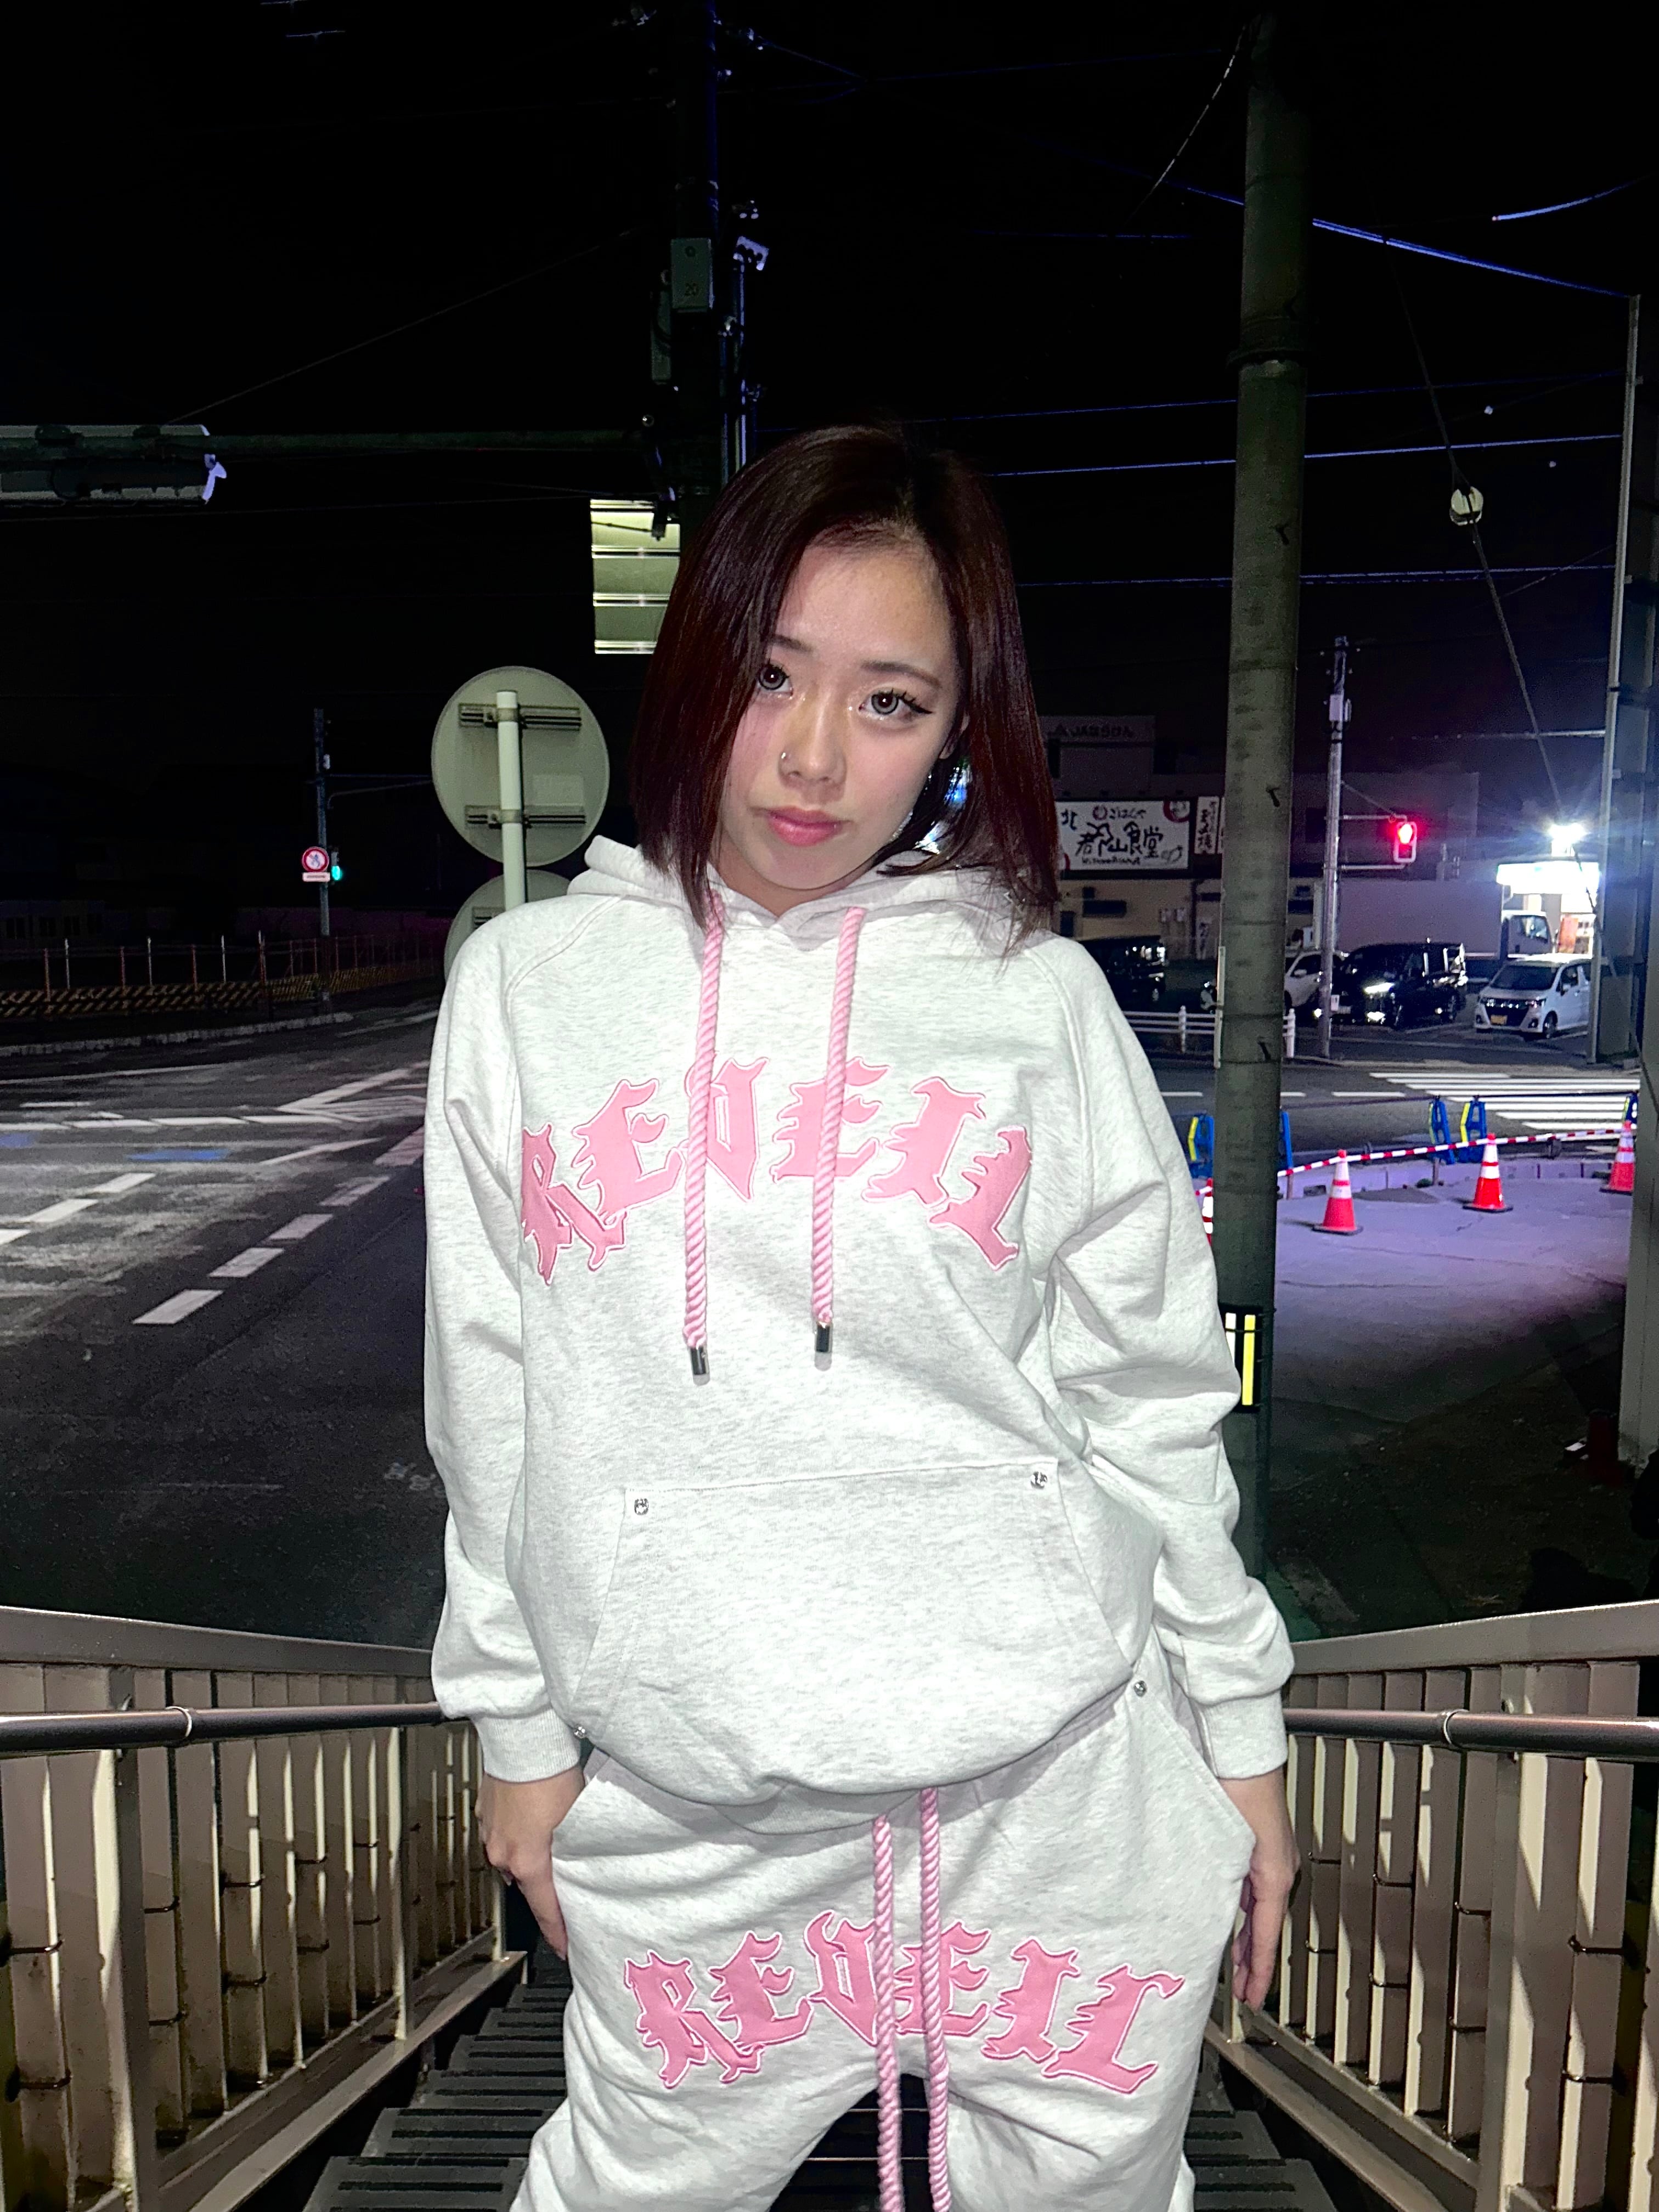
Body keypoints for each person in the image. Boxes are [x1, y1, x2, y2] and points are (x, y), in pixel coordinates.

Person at [424, 424, 1297, 2212]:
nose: (816, 757)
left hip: (1058, 1791)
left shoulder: (1035, 1001)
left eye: (892, 703)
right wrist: (517, 1736)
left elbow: (1148, 1395)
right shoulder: (527, 989)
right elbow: (489, 1392)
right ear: (696, 667)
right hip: (698, 1799)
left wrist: (1242, 1730)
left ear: (959, 731)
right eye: (771, 675)